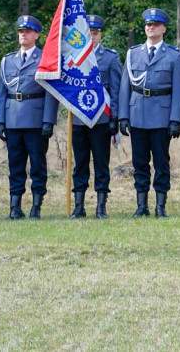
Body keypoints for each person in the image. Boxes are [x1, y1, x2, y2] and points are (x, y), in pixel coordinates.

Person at [118, 8, 180, 218]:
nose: (151, 28)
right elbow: (125, 87)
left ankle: (160, 206)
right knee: (139, 163)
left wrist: (176, 119)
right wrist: (123, 116)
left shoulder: (173, 56)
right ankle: (141, 206)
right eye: (148, 25)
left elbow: (179, 90)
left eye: (156, 25)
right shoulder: (133, 54)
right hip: (138, 114)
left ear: (164, 28)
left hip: (161, 116)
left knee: (161, 163)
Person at [0, 15, 59, 219]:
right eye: (21, 31)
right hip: (13, 118)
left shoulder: (44, 59)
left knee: (38, 165)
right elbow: (2, 93)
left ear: (36, 35)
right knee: (15, 164)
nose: (23, 34)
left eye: (28, 32)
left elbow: (51, 91)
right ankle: (15, 207)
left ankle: (36, 207)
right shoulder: (8, 60)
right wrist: (0, 120)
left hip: (35, 119)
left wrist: (49, 120)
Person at [70, 14, 121, 219]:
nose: (91, 36)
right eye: (88, 33)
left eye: (95, 33)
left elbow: (115, 90)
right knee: (80, 163)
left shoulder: (110, 58)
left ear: (100, 34)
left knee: (101, 163)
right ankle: (79, 206)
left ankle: (101, 207)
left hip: (101, 119)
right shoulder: (72, 57)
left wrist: (115, 118)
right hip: (78, 118)